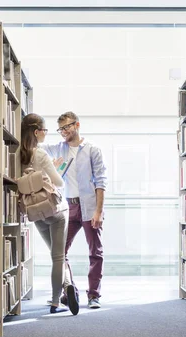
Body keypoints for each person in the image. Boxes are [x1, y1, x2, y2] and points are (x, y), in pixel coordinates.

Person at [40, 111, 107, 309]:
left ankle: (94, 295)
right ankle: (70, 291)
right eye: (60, 129)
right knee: (59, 251)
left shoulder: (92, 149)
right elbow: (35, 148)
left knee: (95, 252)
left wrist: (99, 212)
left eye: (67, 127)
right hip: (67, 207)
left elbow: (101, 182)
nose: (63, 132)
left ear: (77, 125)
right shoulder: (57, 148)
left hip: (89, 206)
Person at [20, 113, 79, 315]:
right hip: (54, 210)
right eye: (44, 130)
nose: (46, 134)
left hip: (35, 212)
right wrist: (54, 169)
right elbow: (59, 182)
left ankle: (68, 284)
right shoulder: (41, 154)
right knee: (58, 257)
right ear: (36, 132)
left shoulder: (17, 155)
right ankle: (56, 302)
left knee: (54, 255)